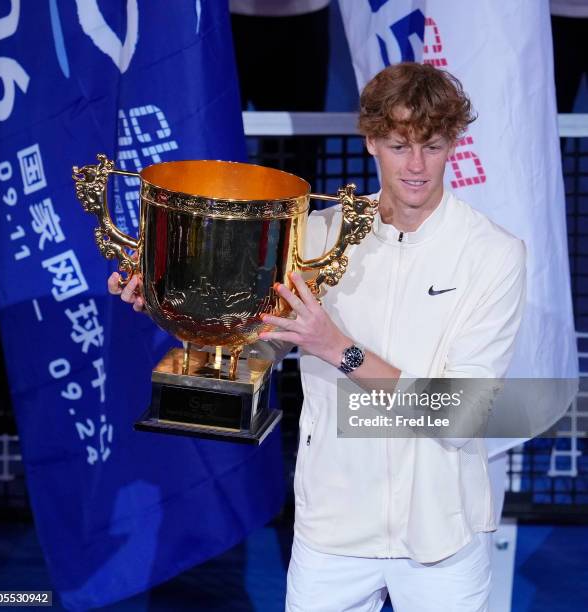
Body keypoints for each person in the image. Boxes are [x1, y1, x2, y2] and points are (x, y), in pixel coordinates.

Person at [109, 62, 526, 611]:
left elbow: (461, 415)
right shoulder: (319, 234)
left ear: (454, 144)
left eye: (433, 144)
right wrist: (185, 313)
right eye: (401, 145)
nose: (418, 166)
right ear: (373, 142)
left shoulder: (495, 254)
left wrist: (336, 348)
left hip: (442, 534)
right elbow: (263, 342)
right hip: (331, 530)